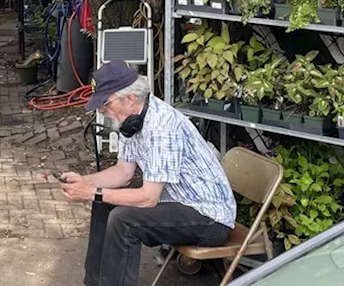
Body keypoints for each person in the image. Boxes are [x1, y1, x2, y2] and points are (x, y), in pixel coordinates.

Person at [60, 61, 236, 286]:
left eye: (105, 103)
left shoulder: (162, 127)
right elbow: (123, 172)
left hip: (208, 216)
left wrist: (91, 192)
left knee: (123, 220)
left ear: (130, 99)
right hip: (176, 201)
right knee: (103, 201)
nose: (102, 111)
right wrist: (85, 182)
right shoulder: (133, 120)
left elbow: (148, 197)